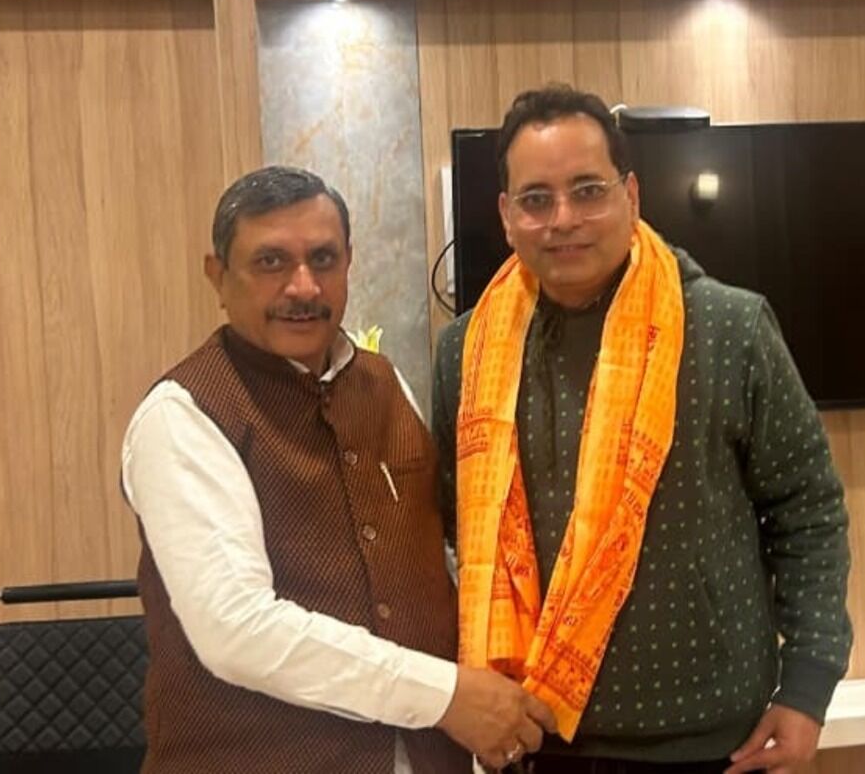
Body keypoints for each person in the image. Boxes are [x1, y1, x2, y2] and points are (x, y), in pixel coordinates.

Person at [433, 87, 853, 774]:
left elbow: (809, 514)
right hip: (533, 740)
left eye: (587, 190)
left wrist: (807, 689)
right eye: (536, 199)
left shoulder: (729, 328)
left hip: (713, 743)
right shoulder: (464, 353)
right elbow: (456, 526)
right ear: (507, 216)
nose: (563, 219)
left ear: (631, 195)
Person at [122, 166, 554, 774]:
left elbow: (439, 563)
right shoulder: (183, 415)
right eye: (271, 262)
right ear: (218, 276)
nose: (303, 287)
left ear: (349, 262)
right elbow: (237, 630)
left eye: (323, 259)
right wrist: (445, 695)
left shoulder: (384, 382)